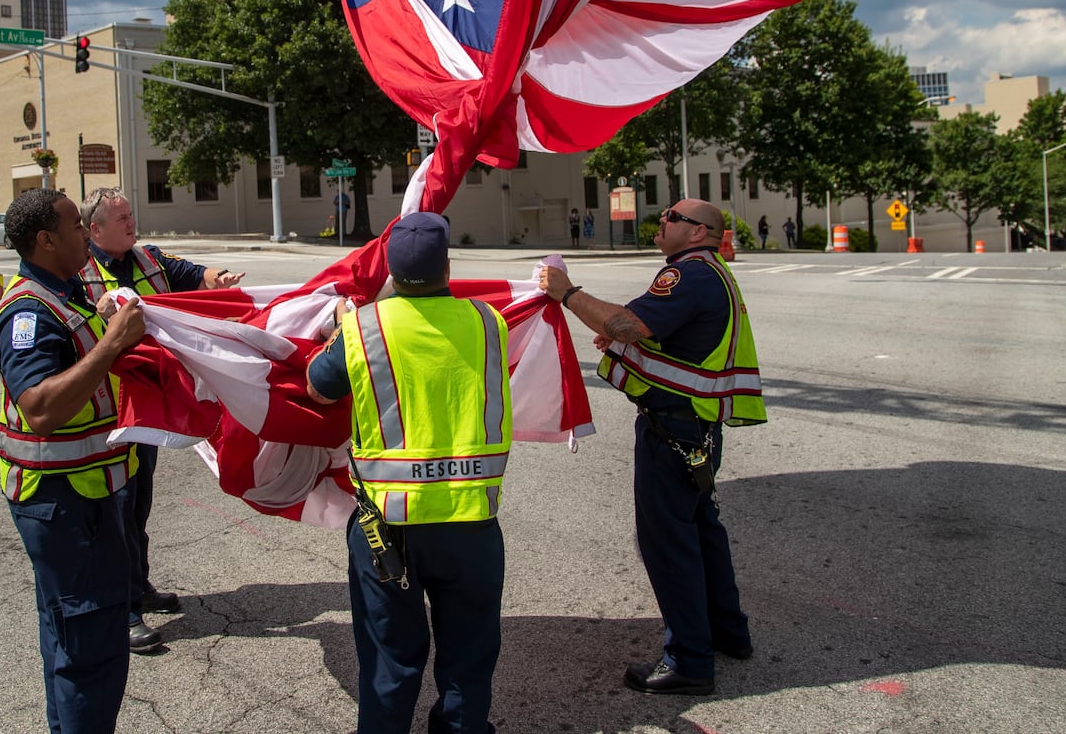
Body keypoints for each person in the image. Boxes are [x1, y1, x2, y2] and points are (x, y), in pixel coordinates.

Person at [539, 199, 765, 697]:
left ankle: (689, 662)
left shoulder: (689, 275)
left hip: (675, 432)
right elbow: (655, 334)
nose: (662, 221)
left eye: (673, 217)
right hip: (696, 429)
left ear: (701, 231)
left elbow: (628, 323)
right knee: (703, 530)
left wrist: (567, 293)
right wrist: (627, 337)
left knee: (669, 545)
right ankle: (728, 633)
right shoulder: (708, 272)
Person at [307, 212, 512, 733]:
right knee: (469, 657)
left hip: (387, 530)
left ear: (391, 272)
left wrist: (342, 325)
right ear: (448, 265)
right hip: (470, 522)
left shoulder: (361, 328)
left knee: (389, 660)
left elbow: (317, 388)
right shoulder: (490, 322)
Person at [0, 188, 148, 732]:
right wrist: (111, 345)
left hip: (87, 499)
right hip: (66, 506)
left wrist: (103, 316)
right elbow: (41, 408)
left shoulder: (68, 291)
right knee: (89, 651)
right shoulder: (27, 313)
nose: (86, 233)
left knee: (68, 639)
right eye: (76, 226)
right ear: (45, 240)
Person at [78, 187, 245, 653]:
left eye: (132, 215)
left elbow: (192, 272)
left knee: (138, 504)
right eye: (121, 218)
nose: (132, 223)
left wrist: (220, 277)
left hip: (147, 406)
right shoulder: (80, 272)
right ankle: (124, 610)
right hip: (106, 411)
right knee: (117, 511)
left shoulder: (148, 258)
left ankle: (140, 587)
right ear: (95, 229)